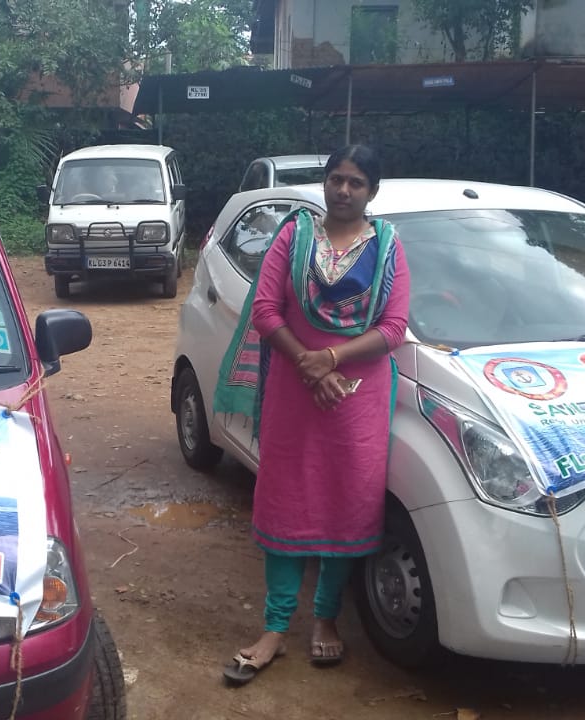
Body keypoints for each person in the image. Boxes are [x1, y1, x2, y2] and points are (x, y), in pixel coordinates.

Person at [213, 144, 410, 685]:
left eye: (356, 182)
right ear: (325, 183)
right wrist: (310, 365)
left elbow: (394, 327)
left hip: (359, 396)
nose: (343, 190)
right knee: (287, 499)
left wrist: (332, 360)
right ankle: (274, 628)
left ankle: (325, 618)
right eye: (336, 179)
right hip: (294, 389)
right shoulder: (294, 236)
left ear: (372, 191)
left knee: (346, 500)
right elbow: (265, 310)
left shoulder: (388, 246)